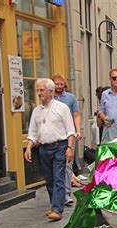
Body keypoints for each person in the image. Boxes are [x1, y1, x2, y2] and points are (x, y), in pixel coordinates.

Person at [25, 78, 76, 220]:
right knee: (49, 179)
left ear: (50, 92)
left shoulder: (62, 108)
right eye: (38, 90)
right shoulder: (36, 111)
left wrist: (70, 148)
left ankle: (57, 209)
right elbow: (33, 132)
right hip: (44, 148)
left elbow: (70, 130)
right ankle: (55, 204)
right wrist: (29, 147)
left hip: (60, 146)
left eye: (42, 90)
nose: (39, 93)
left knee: (59, 177)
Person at [52, 74, 81, 206]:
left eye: (61, 84)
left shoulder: (70, 98)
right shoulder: (49, 98)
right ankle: (58, 194)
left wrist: (78, 130)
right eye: (56, 84)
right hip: (54, 136)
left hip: (68, 135)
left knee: (67, 166)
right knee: (56, 167)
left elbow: (76, 115)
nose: (59, 86)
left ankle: (66, 194)